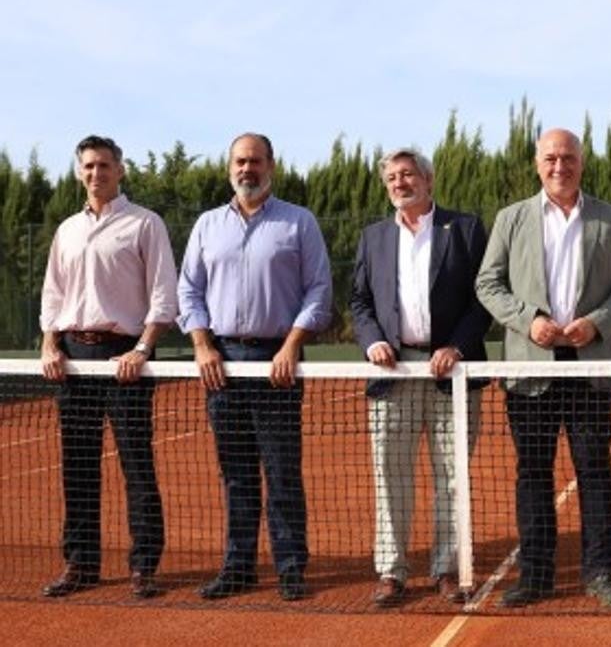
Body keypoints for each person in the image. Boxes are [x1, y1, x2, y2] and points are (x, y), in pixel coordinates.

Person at [475, 128, 611, 610]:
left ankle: (600, 573)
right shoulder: (511, 219)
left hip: (589, 368)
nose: (559, 166)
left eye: (568, 158)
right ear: (537, 163)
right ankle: (537, 576)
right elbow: (488, 283)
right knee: (533, 474)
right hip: (530, 370)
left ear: (581, 163)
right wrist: (530, 322)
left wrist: (598, 323)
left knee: (594, 472)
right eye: (550, 158)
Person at [177, 132, 333, 601]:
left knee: (282, 470)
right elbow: (188, 291)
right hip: (220, 364)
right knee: (236, 471)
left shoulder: (299, 222)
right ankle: (238, 566)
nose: (248, 170)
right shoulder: (206, 225)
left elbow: (319, 290)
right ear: (230, 167)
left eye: (256, 162)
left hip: (277, 362)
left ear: (271, 166)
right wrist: (203, 345)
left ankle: (289, 566)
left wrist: (290, 346)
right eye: (240, 162)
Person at [350, 148, 491, 606]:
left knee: (453, 478)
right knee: (391, 476)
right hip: (393, 376)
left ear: (428, 181)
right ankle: (392, 572)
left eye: (407, 174)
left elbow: (482, 299)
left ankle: (447, 568)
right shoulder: (372, 237)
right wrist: (372, 341)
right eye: (391, 177)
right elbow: (360, 302)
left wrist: (457, 347)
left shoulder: (465, 229)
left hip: (452, 374)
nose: (398, 183)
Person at [38, 135, 177, 599]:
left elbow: (163, 294)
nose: (96, 174)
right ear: (80, 172)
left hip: (126, 358)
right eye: (89, 166)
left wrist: (142, 349)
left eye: (104, 165)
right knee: (77, 466)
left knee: (137, 465)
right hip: (74, 360)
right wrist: (49, 344)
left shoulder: (145, 224)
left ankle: (144, 567)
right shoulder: (66, 230)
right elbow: (53, 294)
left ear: (120, 170)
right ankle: (80, 564)